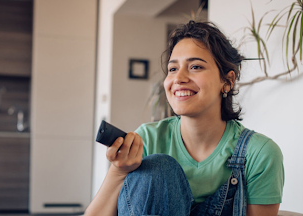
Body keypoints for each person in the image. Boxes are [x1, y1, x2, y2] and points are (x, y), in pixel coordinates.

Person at [85, 21, 284, 216]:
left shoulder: (259, 154)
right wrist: (118, 172)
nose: (178, 78)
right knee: (160, 168)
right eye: (172, 69)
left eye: (195, 67)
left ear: (227, 81)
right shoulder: (148, 139)